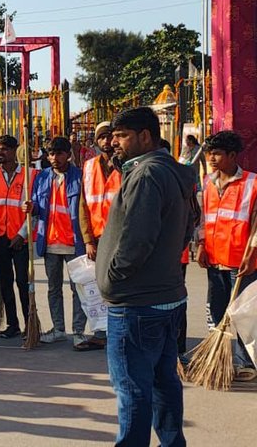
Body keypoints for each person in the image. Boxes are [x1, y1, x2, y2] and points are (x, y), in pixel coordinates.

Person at [96, 107, 195, 447]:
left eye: (121, 136)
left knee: (133, 389)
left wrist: (113, 276)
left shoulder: (147, 174)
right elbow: (187, 227)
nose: (113, 143)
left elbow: (137, 240)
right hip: (167, 296)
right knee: (163, 381)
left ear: (145, 136)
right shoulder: (173, 172)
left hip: (137, 303)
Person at [198, 130, 257, 381]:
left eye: (217, 154)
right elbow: (204, 218)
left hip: (241, 260)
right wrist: (201, 244)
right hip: (214, 258)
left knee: (243, 313)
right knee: (217, 310)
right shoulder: (209, 183)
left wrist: (252, 253)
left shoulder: (252, 183)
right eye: (210, 153)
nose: (212, 158)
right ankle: (220, 358)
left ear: (232, 156)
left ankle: (246, 363)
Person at [23, 136, 89, 348]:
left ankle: (79, 331)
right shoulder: (41, 178)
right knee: (53, 289)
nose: (54, 158)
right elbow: (37, 209)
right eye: (51, 154)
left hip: (74, 242)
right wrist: (31, 209)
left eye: (59, 153)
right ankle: (59, 329)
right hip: (50, 241)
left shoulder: (80, 177)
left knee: (78, 289)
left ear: (68, 155)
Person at [77, 121, 122, 351]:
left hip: (121, 238)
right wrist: (87, 240)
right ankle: (100, 332)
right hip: (97, 237)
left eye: (110, 136)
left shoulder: (126, 166)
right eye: (102, 137)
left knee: (119, 287)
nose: (106, 141)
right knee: (97, 288)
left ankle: (117, 332)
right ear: (96, 140)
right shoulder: (88, 166)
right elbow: (83, 205)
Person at [0, 135, 36, 339]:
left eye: (4, 149)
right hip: (0, 236)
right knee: (4, 282)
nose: (0, 153)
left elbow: (35, 211)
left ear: (14, 150)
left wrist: (22, 234)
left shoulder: (29, 175)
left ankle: (30, 323)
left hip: (21, 238)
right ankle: (12, 323)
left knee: (23, 282)